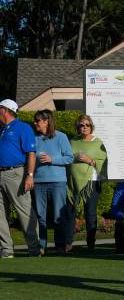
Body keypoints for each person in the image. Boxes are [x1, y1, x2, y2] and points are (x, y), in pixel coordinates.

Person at [0, 99, 41, 258]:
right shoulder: (2, 129)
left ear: (5, 110)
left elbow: (31, 153)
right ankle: (6, 250)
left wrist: (30, 175)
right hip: (1, 173)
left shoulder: (23, 127)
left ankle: (34, 248)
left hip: (16, 173)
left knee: (24, 211)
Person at [33, 109, 74, 254]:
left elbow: (70, 158)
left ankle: (60, 246)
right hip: (38, 183)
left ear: (46, 121)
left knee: (58, 216)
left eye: (38, 120)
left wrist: (52, 159)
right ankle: (41, 247)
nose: (35, 123)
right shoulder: (34, 138)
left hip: (57, 183)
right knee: (40, 216)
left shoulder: (61, 137)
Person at [67, 114, 107, 252]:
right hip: (73, 183)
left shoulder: (97, 142)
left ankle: (91, 243)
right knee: (70, 212)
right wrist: (74, 157)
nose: (84, 127)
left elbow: (103, 161)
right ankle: (68, 242)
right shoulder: (73, 141)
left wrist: (90, 160)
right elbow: (67, 157)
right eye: (81, 125)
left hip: (91, 182)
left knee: (90, 214)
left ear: (91, 127)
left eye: (86, 125)